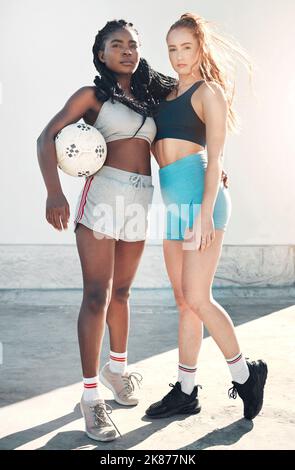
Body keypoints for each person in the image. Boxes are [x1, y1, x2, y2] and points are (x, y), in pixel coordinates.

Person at [36, 19, 179, 442]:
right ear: (102, 54)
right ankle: (90, 398)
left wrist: (211, 170)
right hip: (102, 198)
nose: (127, 51)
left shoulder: (150, 98)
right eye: (117, 45)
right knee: (97, 295)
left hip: (139, 198)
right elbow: (46, 137)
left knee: (123, 293)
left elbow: (172, 143)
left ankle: (117, 371)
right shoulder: (91, 96)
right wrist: (53, 194)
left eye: (133, 45)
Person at [145, 12, 267, 421]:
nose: (180, 57)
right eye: (173, 49)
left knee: (198, 297)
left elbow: (216, 159)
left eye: (187, 47)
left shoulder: (208, 92)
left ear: (200, 48)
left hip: (202, 204)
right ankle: (186, 391)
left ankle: (246, 373)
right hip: (175, 206)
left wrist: (204, 216)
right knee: (183, 303)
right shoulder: (162, 94)